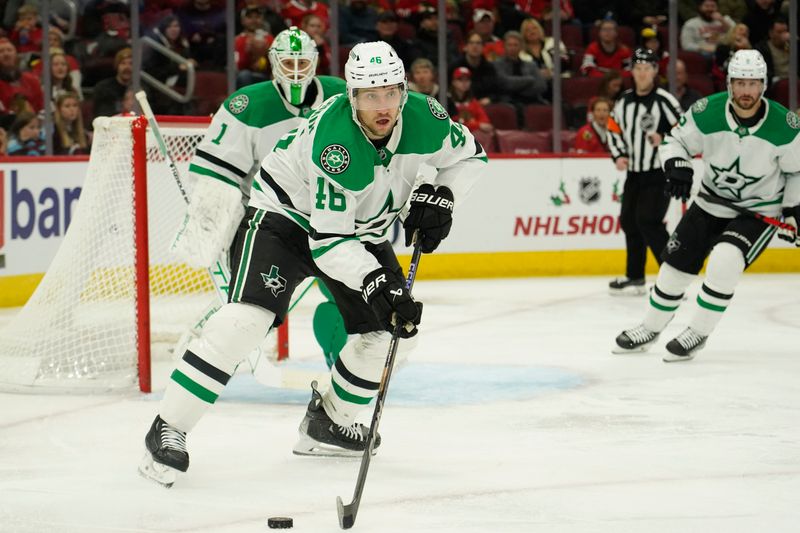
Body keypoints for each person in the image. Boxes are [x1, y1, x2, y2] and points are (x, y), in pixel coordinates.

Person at [139, 40, 487, 486]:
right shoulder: (335, 141)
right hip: (284, 220)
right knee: (245, 320)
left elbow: (472, 156)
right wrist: (376, 281)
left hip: (362, 230)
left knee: (392, 333)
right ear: (351, 96)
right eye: (370, 96)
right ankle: (169, 426)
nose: (383, 106)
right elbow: (328, 243)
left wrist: (443, 194)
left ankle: (327, 421)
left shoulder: (428, 117)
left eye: (391, 93)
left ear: (403, 89)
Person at [166, 27, 347, 392]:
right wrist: (213, 222)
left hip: (330, 219)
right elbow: (217, 176)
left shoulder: (340, 96)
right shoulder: (246, 105)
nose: (296, 70)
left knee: (348, 297)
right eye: (288, 62)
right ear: (273, 64)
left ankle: (342, 370)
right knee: (253, 309)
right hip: (270, 223)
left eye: (302, 62)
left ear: (315, 62)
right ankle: (202, 350)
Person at [613, 49, 800, 361]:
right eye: (739, 83)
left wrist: (793, 210)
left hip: (757, 212)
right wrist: (678, 165)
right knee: (673, 268)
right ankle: (650, 327)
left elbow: (796, 171)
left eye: (752, 84)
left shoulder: (785, 125)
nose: (746, 92)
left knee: (725, 262)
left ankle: (697, 333)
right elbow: (675, 141)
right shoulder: (706, 112)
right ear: (729, 84)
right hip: (709, 203)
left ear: (763, 85)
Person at [606, 47, 683, 295]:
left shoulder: (665, 100)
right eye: (637, 69)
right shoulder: (624, 101)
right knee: (629, 220)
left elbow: (684, 129)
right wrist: (619, 154)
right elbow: (612, 129)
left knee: (649, 221)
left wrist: (665, 137)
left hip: (659, 173)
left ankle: (672, 280)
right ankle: (635, 276)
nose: (641, 73)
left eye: (646, 69)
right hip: (635, 173)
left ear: (655, 71)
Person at [447, 66, 494, 133]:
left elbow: (485, 122)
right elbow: (453, 123)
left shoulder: (473, 101)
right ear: (453, 82)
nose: (464, 83)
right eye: (460, 79)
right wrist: (477, 125)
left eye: (467, 80)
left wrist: (471, 124)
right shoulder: (447, 100)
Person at [92, 47, 132, 119]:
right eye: (123, 63)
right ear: (117, 66)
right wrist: (125, 109)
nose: (127, 67)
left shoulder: (143, 88)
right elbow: (101, 116)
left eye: (131, 63)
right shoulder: (103, 88)